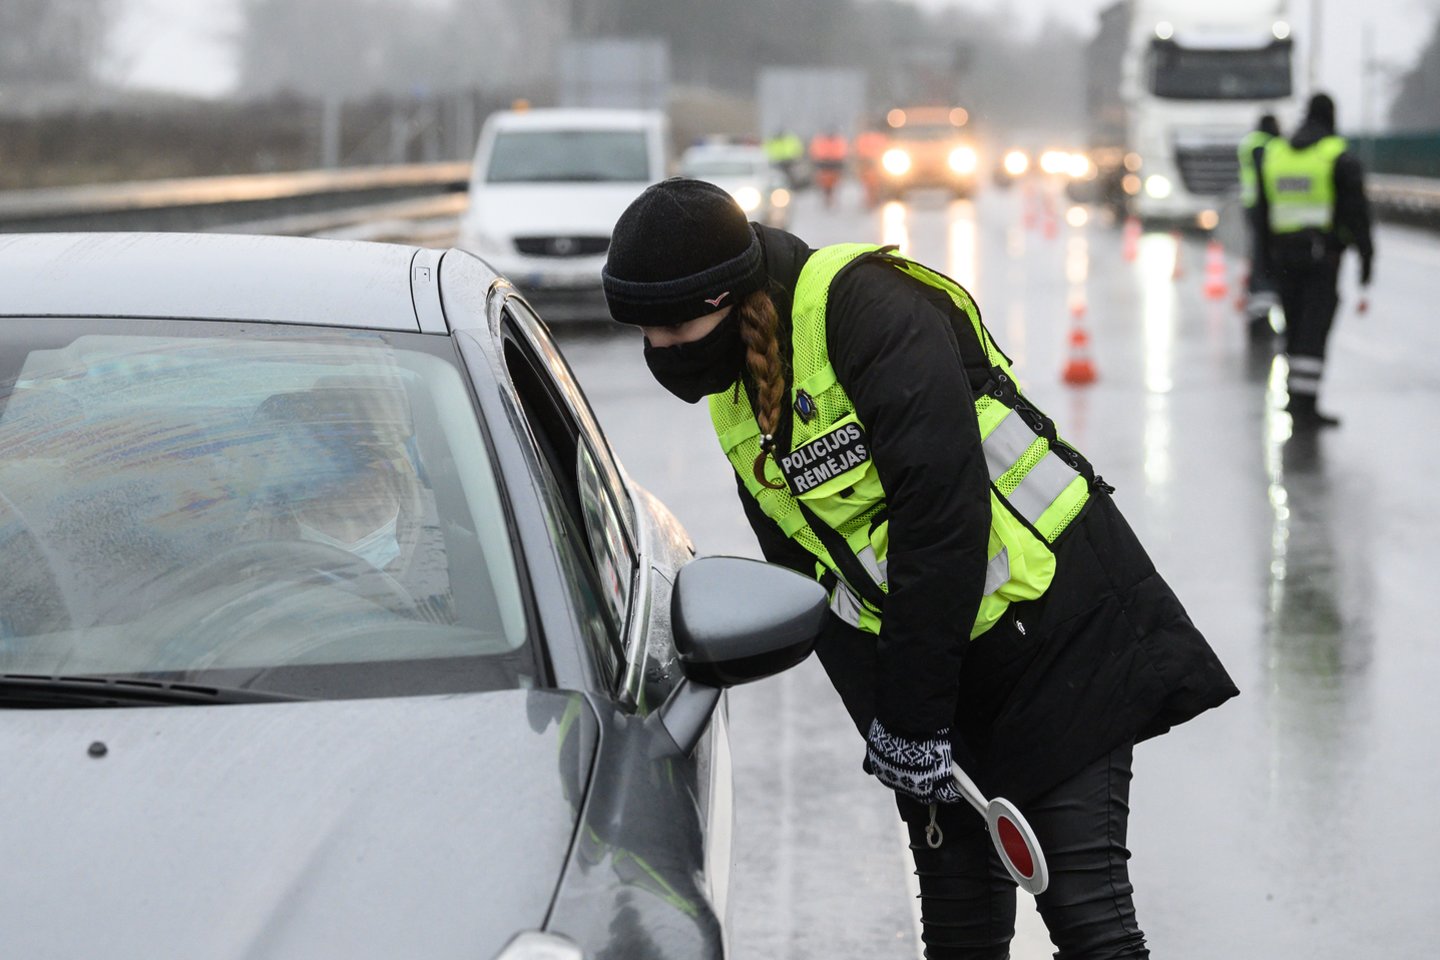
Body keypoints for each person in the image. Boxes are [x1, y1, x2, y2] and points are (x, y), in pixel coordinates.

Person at [601, 178, 1239, 959]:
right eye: (642, 332)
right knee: (961, 936)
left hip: (1059, 637)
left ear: (730, 298)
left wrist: (912, 720)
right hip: (937, 666)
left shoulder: (865, 309)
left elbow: (940, 520)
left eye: (672, 326)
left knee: (1089, 922)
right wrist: (890, 726)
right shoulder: (737, 390)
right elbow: (816, 585)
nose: (660, 350)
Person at [1255, 93, 1375, 429]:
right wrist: (1366, 258)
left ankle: (1294, 399)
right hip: (1321, 258)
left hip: (1282, 258)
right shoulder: (1336, 156)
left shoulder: (1276, 154)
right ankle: (1305, 407)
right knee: (1313, 330)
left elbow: (1262, 214)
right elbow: (1357, 214)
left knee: (1293, 328)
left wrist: (1263, 258)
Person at [1238, 113, 1282, 340]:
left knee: (1258, 254)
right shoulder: (1263, 145)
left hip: (1251, 204)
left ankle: (1258, 308)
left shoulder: (1251, 141)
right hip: (1261, 206)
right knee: (1262, 257)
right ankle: (1261, 312)